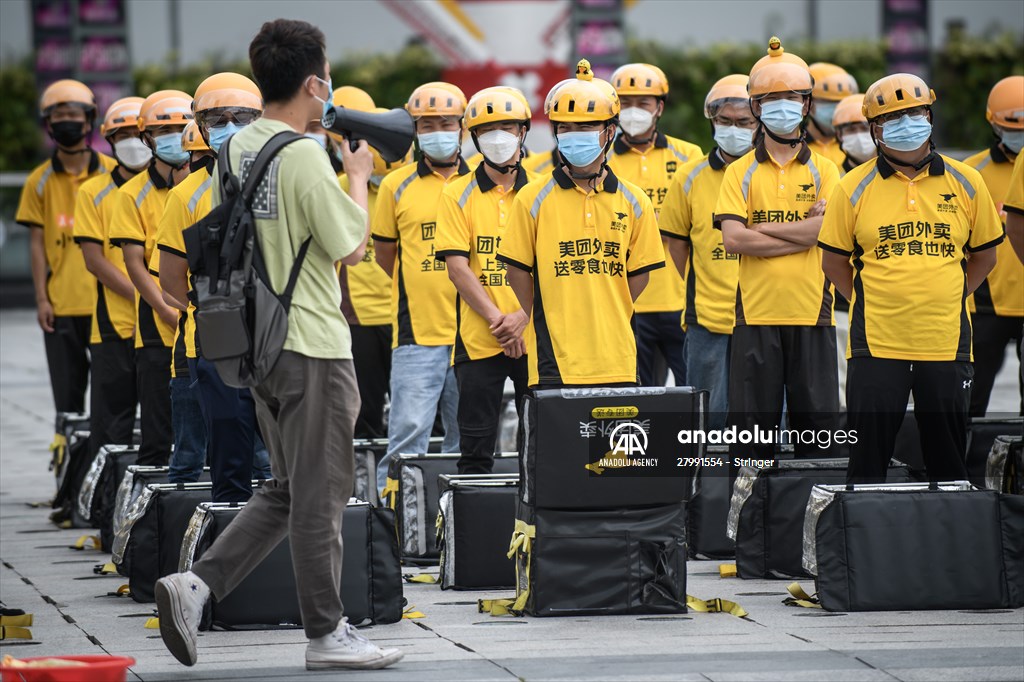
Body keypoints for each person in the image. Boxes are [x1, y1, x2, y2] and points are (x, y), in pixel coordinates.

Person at [155, 19, 402, 671]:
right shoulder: (300, 157)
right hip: (313, 345)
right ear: (315, 81)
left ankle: (196, 585)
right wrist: (356, 175)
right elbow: (352, 247)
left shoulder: (235, 150)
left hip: (257, 343)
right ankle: (327, 633)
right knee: (321, 494)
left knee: (289, 488)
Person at [819, 73, 1003, 482]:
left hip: (945, 343)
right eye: (891, 117)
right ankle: (864, 544)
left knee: (949, 460)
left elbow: (985, 256)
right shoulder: (851, 187)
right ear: (874, 129)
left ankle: (951, 541)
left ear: (929, 115)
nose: (906, 123)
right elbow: (833, 263)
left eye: (914, 112)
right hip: (877, 347)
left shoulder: (967, 182)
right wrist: (870, 301)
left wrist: (952, 293)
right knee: (868, 461)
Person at [496, 60, 665, 388]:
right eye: (565, 128)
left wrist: (606, 300)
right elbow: (516, 270)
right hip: (553, 357)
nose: (574, 136)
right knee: (556, 440)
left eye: (586, 127)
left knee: (615, 440)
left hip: (617, 357)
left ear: (610, 132)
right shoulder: (532, 198)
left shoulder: (634, 200)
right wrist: (550, 310)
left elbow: (640, 274)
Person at [715, 38, 841, 459]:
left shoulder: (827, 169)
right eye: (770, 99)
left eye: (792, 97)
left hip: (814, 315)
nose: (782, 106)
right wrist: (804, 228)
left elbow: (829, 234)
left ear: (806, 105)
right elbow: (733, 240)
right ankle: (746, 524)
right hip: (755, 316)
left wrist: (763, 228)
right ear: (755, 107)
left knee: (819, 436)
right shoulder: (739, 172)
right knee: (751, 440)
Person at [157, 72, 272, 496]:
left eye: (239, 117)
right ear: (201, 129)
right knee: (229, 454)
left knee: (277, 451)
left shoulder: (278, 179)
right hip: (216, 337)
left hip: (277, 334)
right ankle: (229, 541)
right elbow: (170, 277)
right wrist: (210, 301)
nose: (228, 128)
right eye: (216, 120)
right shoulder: (186, 196)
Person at [371, 81, 468, 493]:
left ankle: (457, 528)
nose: (437, 132)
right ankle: (391, 528)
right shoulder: (396, 185)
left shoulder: (483, 183)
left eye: (446, 122)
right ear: (413, 130)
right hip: (418, 335)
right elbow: (385, 255)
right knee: (407, 440)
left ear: (464, 126)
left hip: (474, 338)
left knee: (466, 441)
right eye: (427, 125)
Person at [435, 86, 533, 473]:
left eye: (507, 126)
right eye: (487, 128)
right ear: (473, 137)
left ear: (523, 131)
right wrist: (500, 320)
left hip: (536, 338)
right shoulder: (457, 193)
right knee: (474, 448)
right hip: (479, 338)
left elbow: (546, 266)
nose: (498, 137)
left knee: (539, 445)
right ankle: (473, 530)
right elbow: (458, 267)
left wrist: (523, 317)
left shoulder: (542, 190)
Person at [17, 80, 115, 419]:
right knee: (67, 403)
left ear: (89, 121)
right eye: (58, 116)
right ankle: (67, 460)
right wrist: (42, 299)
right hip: (61, 306)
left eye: (74, 114)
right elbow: (36, 244)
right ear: (48, 125)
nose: (66, 122)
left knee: (111, 399)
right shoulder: (38, 181)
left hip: (108, 304)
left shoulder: (113, 173)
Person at [660, 75, 753, 429]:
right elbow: (678, 243)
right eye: (724, 121)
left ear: (759, 121)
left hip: (764, 317)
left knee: (763, 420)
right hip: (707, 320)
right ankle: (708, 484)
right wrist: (706, 283)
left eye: (743, 122)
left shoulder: (771, 173)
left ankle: (758, 482)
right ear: (712, 121)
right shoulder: (689, 176)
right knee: (708, 418)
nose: (734, 129)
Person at [108, 89, 193, 467]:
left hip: (202, 323)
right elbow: (134, 263)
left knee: (204, 424)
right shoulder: (131, 195)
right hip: (157, 325)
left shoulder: (205, 184)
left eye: (181, 127)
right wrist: (163, 307)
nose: (174, 136)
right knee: (158, 431)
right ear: (147, 139)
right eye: (164, 131)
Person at [607, 63, 702, 387]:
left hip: (681, 300)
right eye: (626, 103)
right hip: (628, 301)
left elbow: (699, 222)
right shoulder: (600, 161)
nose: (634, 111)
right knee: (637, 398)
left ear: (659, 107)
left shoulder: (689, 155)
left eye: (643, 103)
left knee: (694, 392)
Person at [72, 97, 146, 460]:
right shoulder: (93, 191)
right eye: (122, 134)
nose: (132, 140)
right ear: (109, 140)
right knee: (111, 425)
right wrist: (142, 294)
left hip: (164, 324)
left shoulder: (173, 189)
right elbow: (94, 260)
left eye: (138, 132)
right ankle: (103, 504)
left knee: (164, 422)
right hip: (113, 324)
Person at [331, 89, 397, 439]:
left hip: (405, 318)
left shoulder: (405, 188)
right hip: (358, 318)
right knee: (364, 416)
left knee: (412, 416)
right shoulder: (340, 186)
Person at [963, 76, 1024, 416]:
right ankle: (960, 468)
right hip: (986, 305)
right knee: (971, 401)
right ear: (994, 124)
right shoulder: (971, 172)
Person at [806, 62, 857, 168]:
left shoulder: (855, 144)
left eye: (841, 103)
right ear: (808, 103)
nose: (836, 109)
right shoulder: (793, 144)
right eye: (827, 102)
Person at [832, 94, 875, 175]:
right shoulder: (834, 175)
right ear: (839, 135)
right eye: (851, 130)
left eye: (864, 128)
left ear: (877, 130)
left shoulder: (897, 171)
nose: (859, 136)